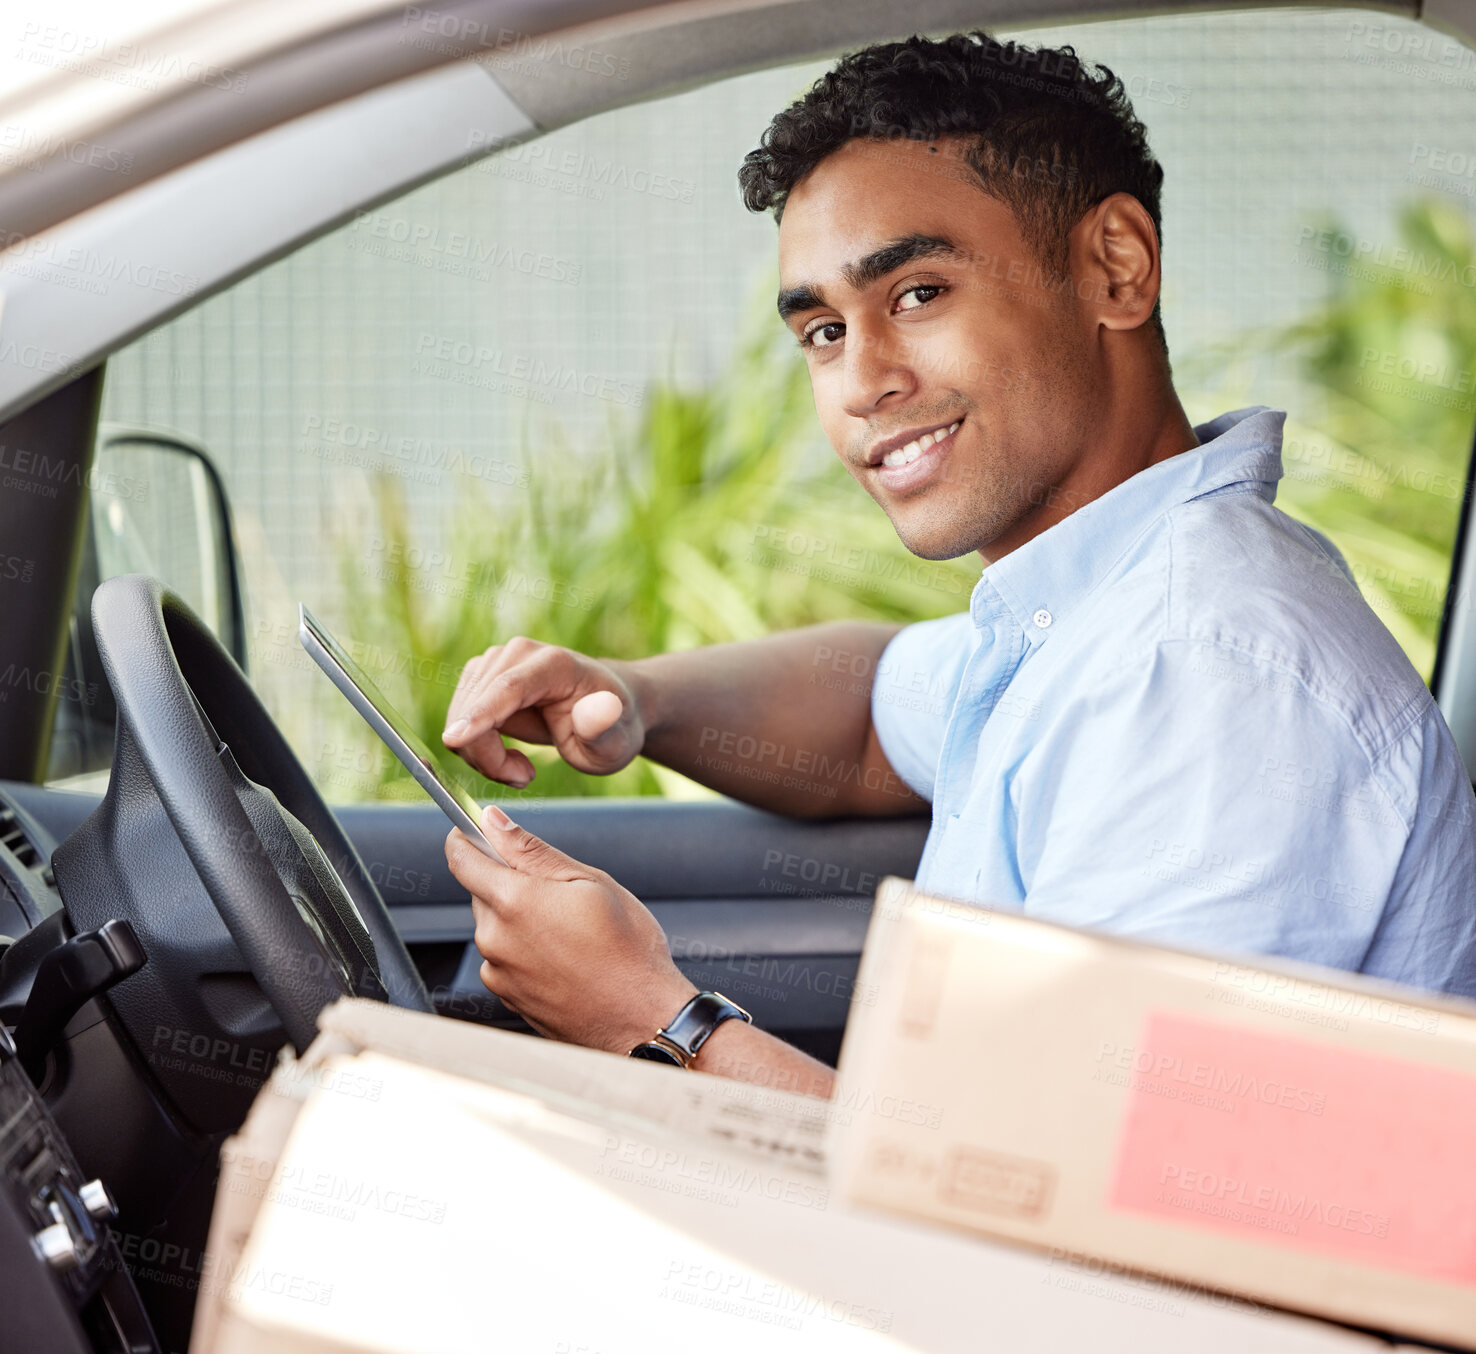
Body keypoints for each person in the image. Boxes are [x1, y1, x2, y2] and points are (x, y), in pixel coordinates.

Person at [439, 31, 1476, 1099]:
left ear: (1115, 266)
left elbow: (1080, 1219)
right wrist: (634, 695)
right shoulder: (1094, 606)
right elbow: (865, 715)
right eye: (824, 332)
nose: (862, 381)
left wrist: (651, 1020)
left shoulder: (1203, 672)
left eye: (919, 294)